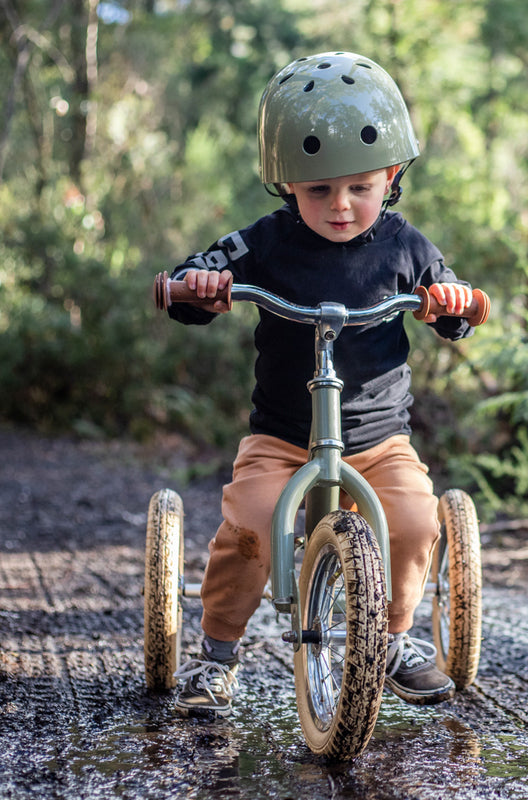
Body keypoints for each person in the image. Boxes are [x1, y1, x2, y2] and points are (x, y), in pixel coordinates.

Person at [168, 51, 476, 716]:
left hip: (378, 440)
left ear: (390, 176)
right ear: (286, 186)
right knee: (250, 525)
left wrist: (450, 303)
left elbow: (449, 304)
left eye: (359, 187)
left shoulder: (404, 247)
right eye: (318, 191)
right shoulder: (267, 243)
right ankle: (216, 655)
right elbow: (195, 277)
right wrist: (200, 284)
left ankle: (391, 641)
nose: (340, 206)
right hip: (282, 439)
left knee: (417, 522)